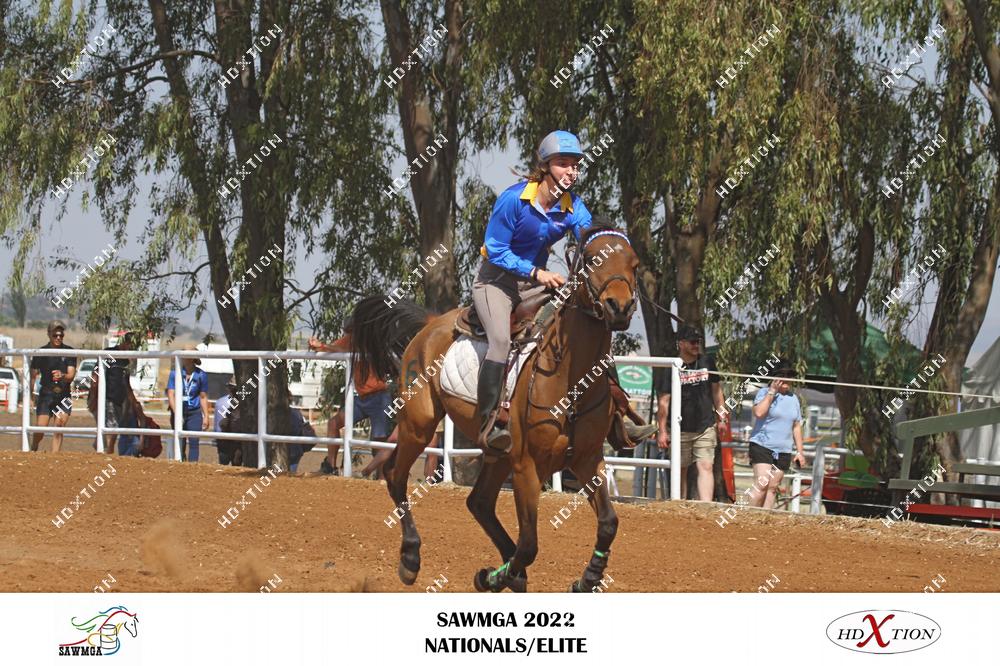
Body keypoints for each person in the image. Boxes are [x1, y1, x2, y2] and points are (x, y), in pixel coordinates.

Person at [473, 130, 592, 458]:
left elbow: (589, 236)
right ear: (545, 166)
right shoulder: (513, 199)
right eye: (563, 163)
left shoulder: (573, 206)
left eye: (575, 165)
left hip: (534, 285)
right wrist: (538, 273)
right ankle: (490, 424)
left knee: (575, 328)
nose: (571, 171)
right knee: (500, 341)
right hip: (495, 283)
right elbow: (495, 250)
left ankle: (611, 414)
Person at [309, 320, 394, 475]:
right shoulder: (349, 340)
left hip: (379, 397)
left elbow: (342, 349)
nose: (349, 335)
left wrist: (323, 346)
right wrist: (318, 346)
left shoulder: (371, 340)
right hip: (362, 398)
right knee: (334, 423)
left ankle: (382, 478)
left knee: (379, 440)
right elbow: (332, 348)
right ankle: (330, 466)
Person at [655, 325, 726, 501]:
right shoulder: (671, 367)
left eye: (698, 342)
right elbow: (663, 401)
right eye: (692, 342)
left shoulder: (707, 363)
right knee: (680, 469)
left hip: (705, 426)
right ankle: (679, 505)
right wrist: (662, 431)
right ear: (681, 344)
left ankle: (706, 507)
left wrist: (722, 418)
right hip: (679, 429)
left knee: (706, 466)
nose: (696, 345)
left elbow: (717, 392)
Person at [746, 363, 806, 508]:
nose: (786, 379)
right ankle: (748, 515)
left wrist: (800, 452)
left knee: (772, 488)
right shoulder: (764, 392)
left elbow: (796, 426)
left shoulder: (794, 399)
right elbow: (759, 413)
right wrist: (772, 392)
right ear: (774, 377)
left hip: (783, 450)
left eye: (789, 376)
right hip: (762, 445)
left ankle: (765, 518)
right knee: (762, 484)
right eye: (782, 375)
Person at [29, 320, 77, 452]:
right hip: (46, 394)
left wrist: (62, 375)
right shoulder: (41, 352)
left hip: (64, 394)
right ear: (49, 334)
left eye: (61, 335)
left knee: (59, 426)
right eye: (55, 335)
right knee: (41, 428)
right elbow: (33, 375)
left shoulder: (69, 352)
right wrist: (30, 396)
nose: (58, 338)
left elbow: (71, 375)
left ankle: (55, 457)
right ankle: (33, 448)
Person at [100, 332, 144, 456]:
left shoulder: (125, 361)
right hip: (108, 397)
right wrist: (94, 395)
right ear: (125, 343)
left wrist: (133, 401)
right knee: (112, 428)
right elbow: (96, 375)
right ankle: (107, 452)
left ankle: (109, 452)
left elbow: (126, 382)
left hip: (121, 399)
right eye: (131, 346)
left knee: (117, 428)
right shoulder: (109, 353)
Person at [166, 347, 210, 462]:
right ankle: (179, 465)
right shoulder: (175, 373)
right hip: (178, 410)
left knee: (194, 442)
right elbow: (170, 394)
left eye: (185, 356)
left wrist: (206, 416)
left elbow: (203, 396)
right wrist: (177, 413)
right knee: (179, 441)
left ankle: (192, 467)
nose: (182, 358)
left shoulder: (201, 375)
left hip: (194, 413)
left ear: (192, 358)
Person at [214, 376, 239, 465]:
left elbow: (219, 425)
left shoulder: (220, 402)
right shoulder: (222, 402)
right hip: (232, 440)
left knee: (224, 463)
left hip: (224, 439)